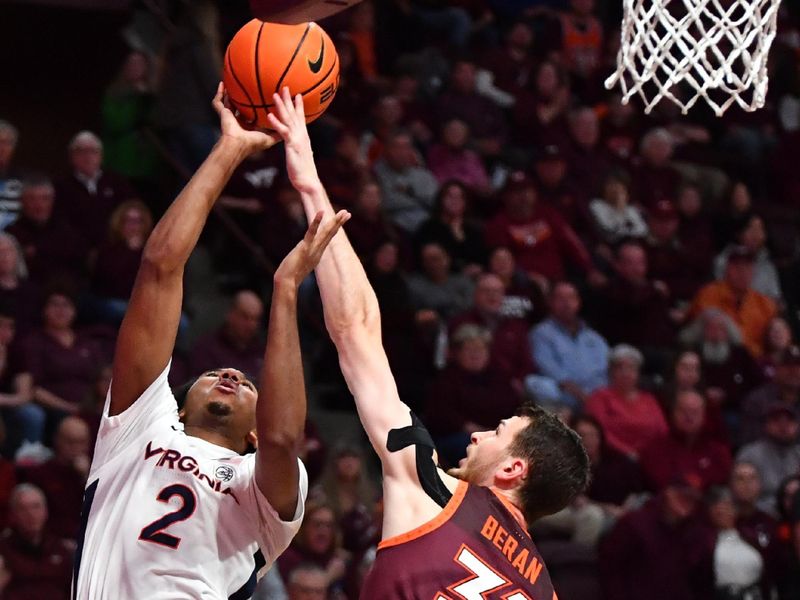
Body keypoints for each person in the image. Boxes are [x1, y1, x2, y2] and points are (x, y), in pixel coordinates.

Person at [267, 86, 589, 598]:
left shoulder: (437, 492)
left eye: (498, 432)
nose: (479, 436)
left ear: (512, 468)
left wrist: (311, 186)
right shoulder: (545, 590)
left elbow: (357, 333)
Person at [71, 84, 350, 598]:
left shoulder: (258, 482)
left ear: (254, 437)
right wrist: (229, 150)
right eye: (217, 375)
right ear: (179, 406)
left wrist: (285, 290)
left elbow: (285, 439)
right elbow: (159, 269)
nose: (230, 375)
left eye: (246, 382)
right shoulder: (137, 428)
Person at [528, 281, 609, 413]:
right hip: (564, 399)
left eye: (571, 298)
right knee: (537, 384)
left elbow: (606, 370)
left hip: (597, 398)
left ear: (578, 302)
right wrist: (583, 397)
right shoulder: (541, 334)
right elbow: (550, 370)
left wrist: (598, 399)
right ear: (550, 302)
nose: (567, 303)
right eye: (561, 298)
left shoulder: (593, 337)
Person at [585, 344, 669, 459]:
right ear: (610, 372)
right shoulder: (599, 397)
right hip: (613, 458)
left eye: (631, 368)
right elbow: (600, 433)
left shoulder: (649, 399)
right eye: (619, 367)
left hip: (651, 458)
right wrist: (628, 453)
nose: (625, 373)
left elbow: (663, 432)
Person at [20, 416, 89, 541]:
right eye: (70, 441)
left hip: (87, 540)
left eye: (80, 442)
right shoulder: (40, 474)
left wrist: (86, 478)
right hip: (54, 541)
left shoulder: (95, 475)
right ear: (57, 440)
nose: (75, 447)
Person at [0, 484, 73, 600]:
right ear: (12, 515)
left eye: (36, 507)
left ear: (46, 511)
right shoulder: (4, 550)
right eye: (23, 508)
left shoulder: (62, 549)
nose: (31, 514)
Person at [188, 290, 265, 378]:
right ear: (231, 314)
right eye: (245, 317)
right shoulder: (206, 348)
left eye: (256, 319)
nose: (251, 325)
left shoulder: (262, 353)